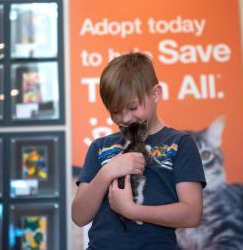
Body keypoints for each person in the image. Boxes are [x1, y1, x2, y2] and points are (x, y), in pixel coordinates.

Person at [71, 52, 206, 249]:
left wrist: (131, 210)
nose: (124, 118)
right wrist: (108, 171)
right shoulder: (99, 148)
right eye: (115, 111)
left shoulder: (181, 143)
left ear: (156, 94)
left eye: (132, 107)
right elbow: (79, 216)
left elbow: (192, 214)